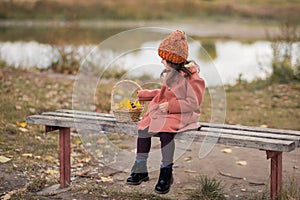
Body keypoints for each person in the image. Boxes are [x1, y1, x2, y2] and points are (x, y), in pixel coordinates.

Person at [126, 30, 205, 194]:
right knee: (143, 129)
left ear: (173, 60)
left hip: (182, 113)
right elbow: (164, 94)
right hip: (166, 111)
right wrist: (145, 95)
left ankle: (166, 173)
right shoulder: (171, 74)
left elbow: (194, 102)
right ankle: (140, 169)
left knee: (165, 132)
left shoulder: (192, 78)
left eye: (164, 58)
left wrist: (171, 106)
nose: (161, 61)